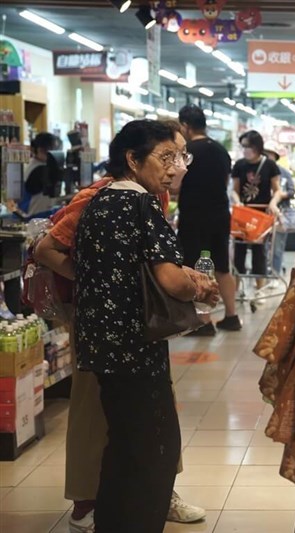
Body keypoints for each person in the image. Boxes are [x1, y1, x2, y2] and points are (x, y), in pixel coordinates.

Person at [34, 121, 207, 532]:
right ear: (132, 159)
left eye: (180, 157)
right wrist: (197, 287)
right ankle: (115, 511)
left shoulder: (101, 202)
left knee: (123, 443)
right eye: (165, 156)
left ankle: (106, 515)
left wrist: (107, 282)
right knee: (150, 448)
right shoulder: (139, 204)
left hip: (100, 338)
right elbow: (168, 279)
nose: (175, 167)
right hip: (131, 341)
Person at [177, 105, 240, 336]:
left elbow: (175, 186)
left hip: (195, 216)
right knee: (222, 266)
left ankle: (204, 322)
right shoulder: (221, 150)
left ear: (185, 125)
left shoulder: (188, 151)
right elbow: (224, 183)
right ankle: (231, 316)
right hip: (221, 214)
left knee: (197, 267)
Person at [231, 131, 286, 289]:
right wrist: (237, 201)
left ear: (257, 146)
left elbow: (277, 190)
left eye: (248, 146)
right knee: (239, 250)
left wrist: (273, 203)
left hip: (261, 214)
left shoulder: (270, 165)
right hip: (243, 213)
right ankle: (236, 288)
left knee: (259, 251)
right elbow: (234, 189)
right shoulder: (239, 165)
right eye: (243, 146)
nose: (246, 149)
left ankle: (259, 288)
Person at [7, 133, 63, 219]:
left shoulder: (34, 165)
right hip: (33, 216)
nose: (49, 153)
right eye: (45, 150)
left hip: (37, 213)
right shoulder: (39, 169)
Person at [263, 140, 295, 279]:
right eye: (265, 154)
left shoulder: (284, 173)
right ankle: (263, 275)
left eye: (270, 155)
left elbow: (292, 191)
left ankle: (275, 275)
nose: (267, 157)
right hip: (263, 215)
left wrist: (282, 195)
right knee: (263, 248)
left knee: (277, 247)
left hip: (281, 214)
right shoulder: (259, 172)